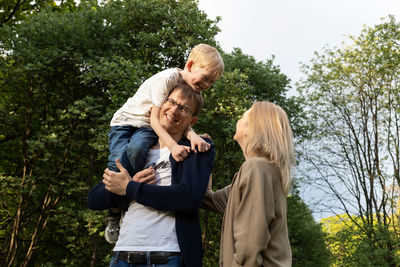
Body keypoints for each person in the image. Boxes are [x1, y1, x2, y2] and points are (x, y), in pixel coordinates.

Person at [105, 43, 224, 242]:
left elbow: (182, 118)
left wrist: (193, 136)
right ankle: (115, 211)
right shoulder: (166, 79)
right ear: (190, 64)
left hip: (146, 127)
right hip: (127, 123)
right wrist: (173, 146)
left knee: (137, 150)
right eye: (205, 78)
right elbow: (156, 119)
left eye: (211, 82)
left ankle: (131, 196)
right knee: (120, 163)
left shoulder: (190, 89)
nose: (206, 85)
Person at [88, 84, 215, 267]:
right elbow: (94, 199)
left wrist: (131, 188)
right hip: (123, 256)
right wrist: (126, 187)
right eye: (170, 101)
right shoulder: (137, 149)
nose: (173, 110)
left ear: (192, 121)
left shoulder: (198, 148)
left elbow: (188, 198)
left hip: (170, 256)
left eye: (183, 108)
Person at [202, 101, 295, 267]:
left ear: (255, 127)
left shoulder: (257, 168)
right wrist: (204, 158)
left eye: (244, 115)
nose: (239, 119)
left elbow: (249, 246)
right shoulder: (261, 170)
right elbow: (208, 199)